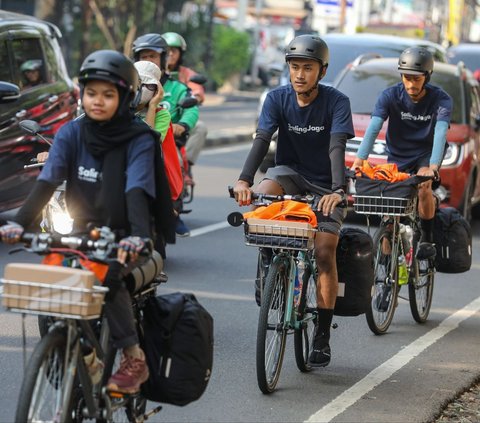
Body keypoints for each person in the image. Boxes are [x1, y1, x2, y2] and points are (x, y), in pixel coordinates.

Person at [0, 49, 175, 393]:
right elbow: (48, 181)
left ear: (125, 97)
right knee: (53, 275)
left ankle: (133, 358)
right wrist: (20, 224)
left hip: (128, 231)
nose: (97, 101)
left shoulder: (139, 138)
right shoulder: (71, 133)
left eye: (108, 94)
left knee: (105, 273)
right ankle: (84, 353)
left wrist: (138, 236)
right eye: (91, 92)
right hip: (79, 228)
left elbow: (137, 187)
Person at [232, 34, 354, 368]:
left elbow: (337, 146)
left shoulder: (337, 102)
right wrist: (245, 180)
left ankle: (323, 335)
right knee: (264, 196)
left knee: (324, 251)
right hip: (288, 173)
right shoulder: (276, 98)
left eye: (308, 68)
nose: (300, 74)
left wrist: (336, 190)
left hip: (327, 184)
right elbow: (262, 139)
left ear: (322, 72)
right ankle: (270, 268)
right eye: (295, 66)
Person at [352, 47, 452, 259]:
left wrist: (433, 167)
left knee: (424, 186)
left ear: (427, 77)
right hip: (399, 154)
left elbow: (441, 132)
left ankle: (426, 237)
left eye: (416, 79)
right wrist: (360, 160)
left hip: (427, 153)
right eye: (407, 78)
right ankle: (388, 267)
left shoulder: (441, 99)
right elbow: (374, 128)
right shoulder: (389, 96)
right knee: (390, 205)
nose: (410, 84)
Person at [132, 33, 199, 237]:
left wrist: (182, 125)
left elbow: (191, 110)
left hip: (164, 143)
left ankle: (171, 212)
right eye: (143, 56)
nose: (148, 61)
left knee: (175, 163)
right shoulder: (122, 99)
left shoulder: (177, 87)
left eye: (152, 56)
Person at [163, 31, 208, 170]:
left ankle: (184, 167)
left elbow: (197, 93)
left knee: (200, 127)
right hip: (151, 123)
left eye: (174, 51)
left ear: (180, 54)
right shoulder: (148, 73)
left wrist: (194, 97)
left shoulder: (187, 74)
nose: (170, 54)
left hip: (177, 123)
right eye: (166, 51)